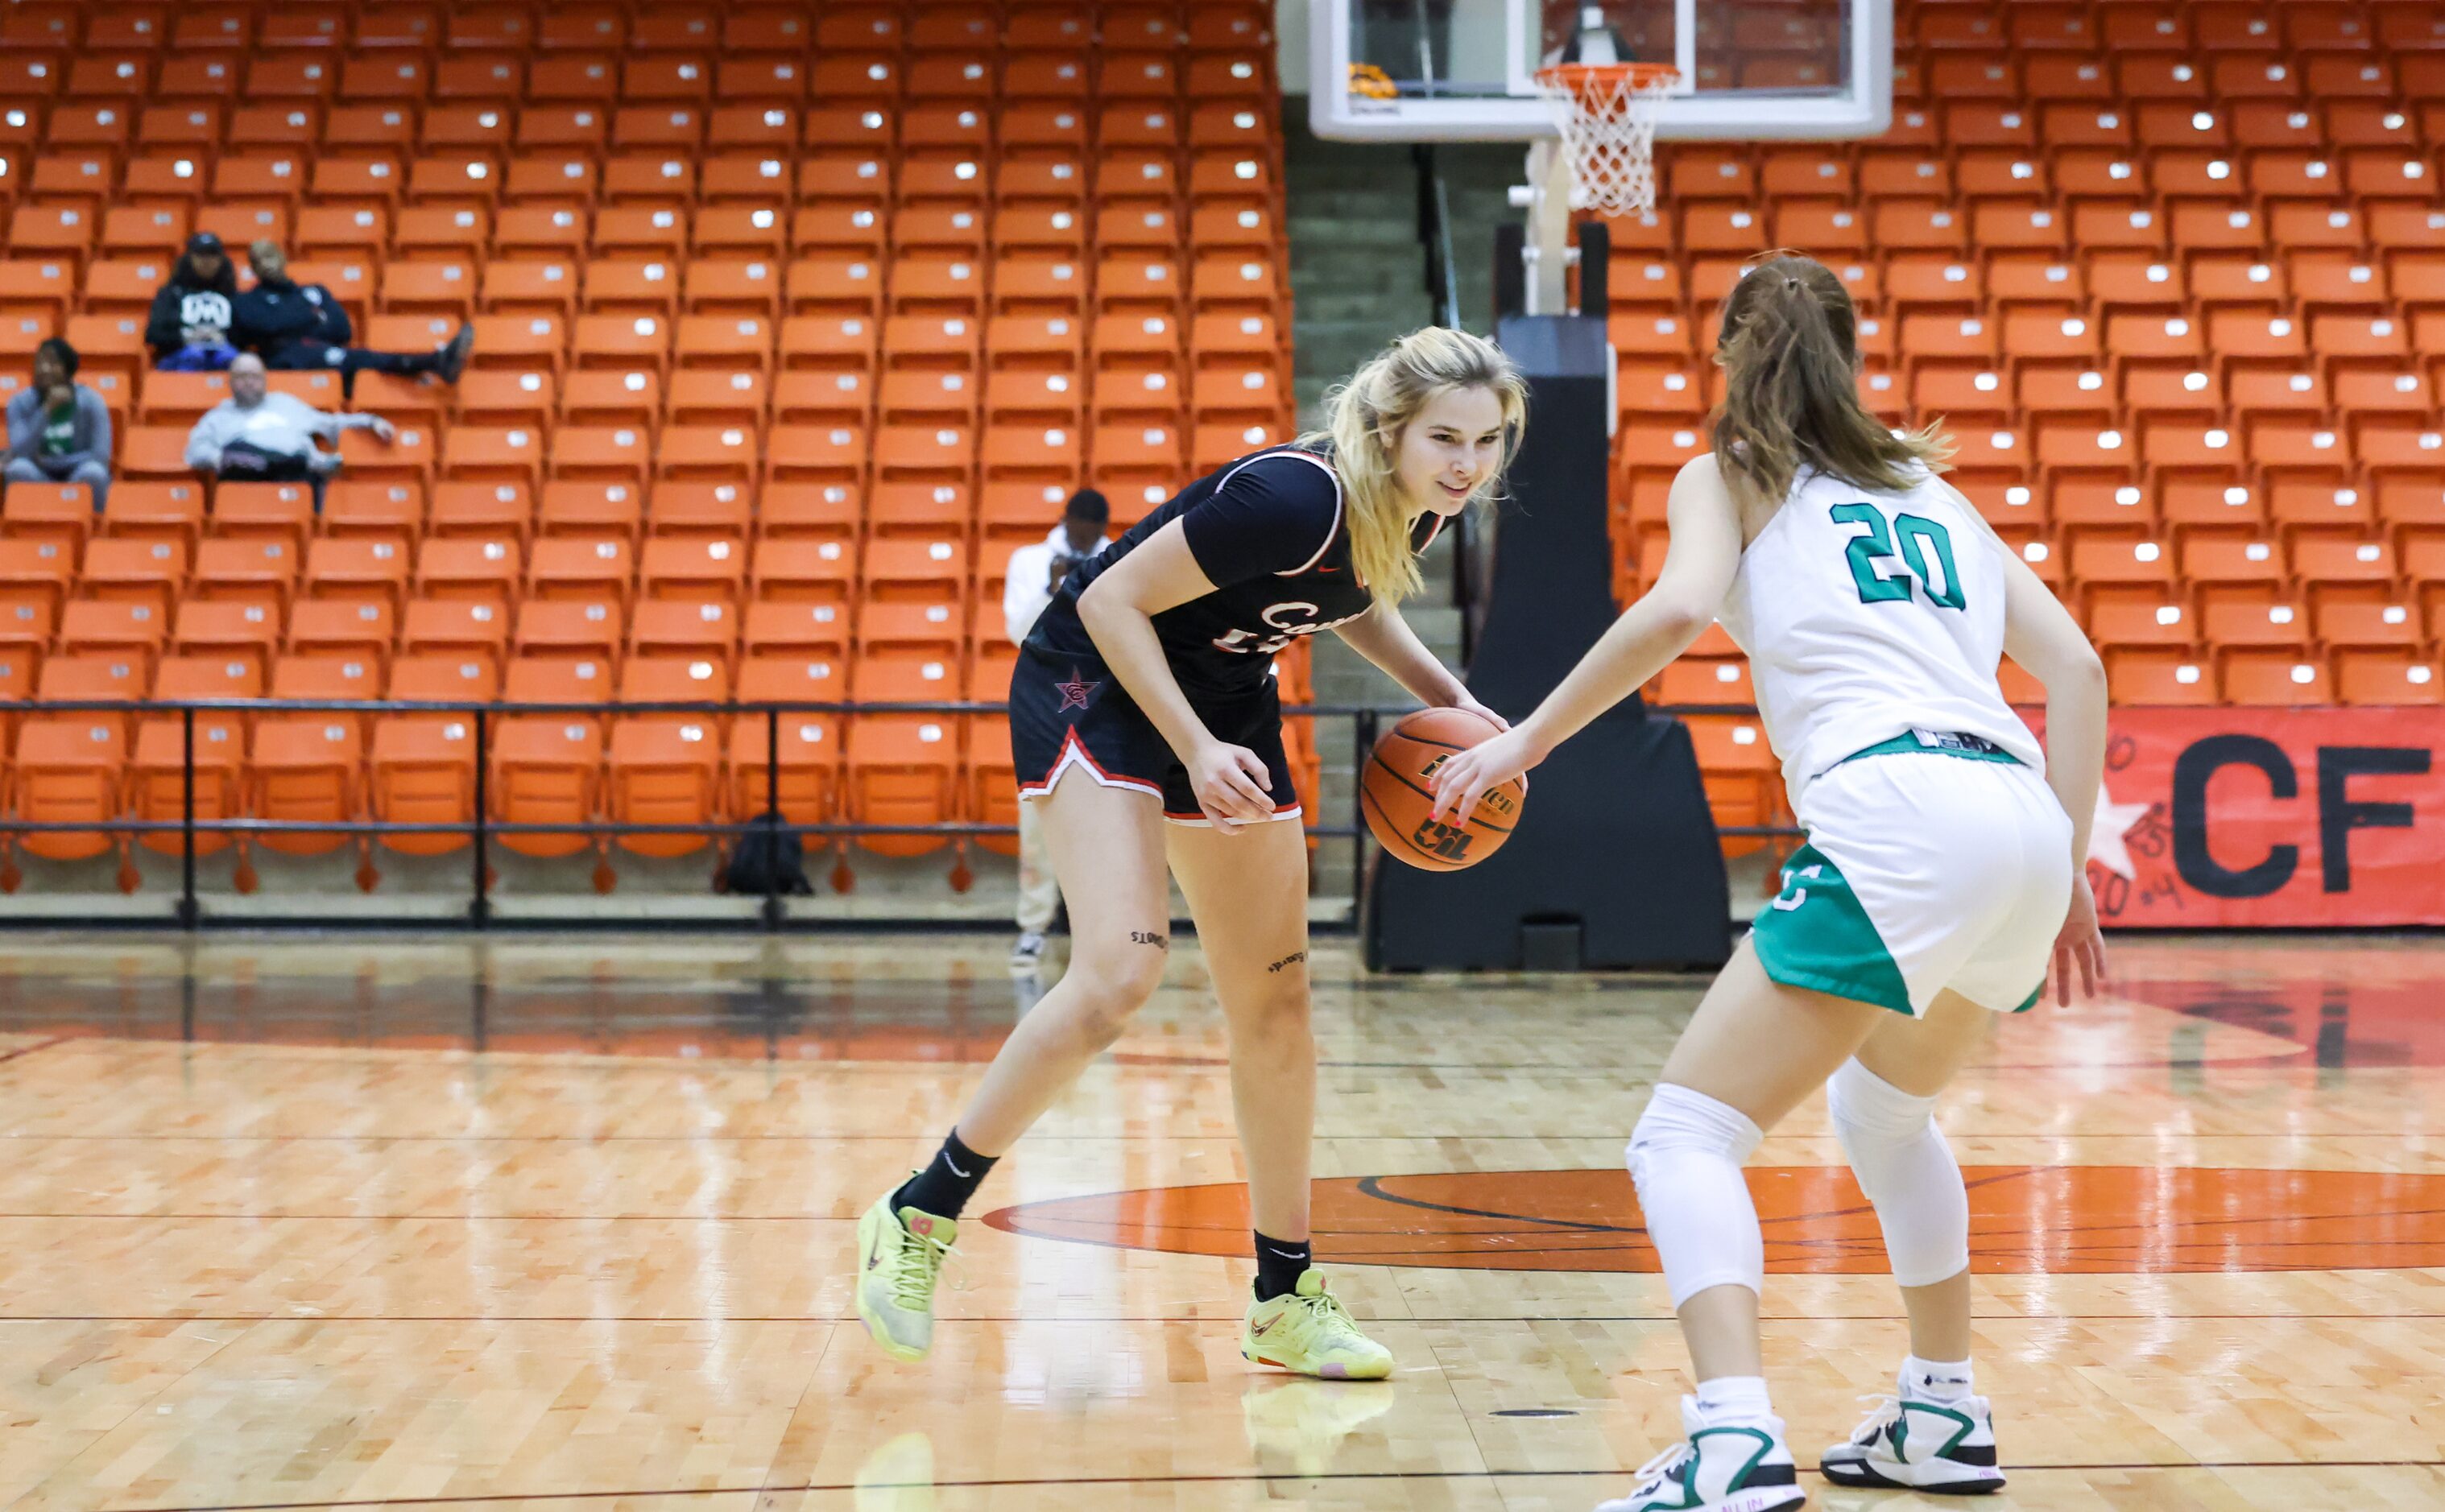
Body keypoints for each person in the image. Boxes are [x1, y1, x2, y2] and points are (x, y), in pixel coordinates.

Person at [1428, 256, 2108, 1512]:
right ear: (1851, 357)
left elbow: (1679, 608)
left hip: (1904, 812)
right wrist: (2068, 865)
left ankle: (1732, 1436)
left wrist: (1524, 737)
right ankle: (1942, 1412)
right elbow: (2076, 668)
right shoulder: (1932, 490)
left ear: (1732, 358)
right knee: (1885, 1116)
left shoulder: (1726, 474)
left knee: (1684, 1132)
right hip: (2017, 820)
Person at [851, 328, 1528, 1378]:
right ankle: (918, 1212)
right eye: (1447, 437)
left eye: (1487, 442)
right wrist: (1196, 748)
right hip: (1098, 682)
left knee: (1278, 1001)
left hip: (1223, 700)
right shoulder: (1292, 495)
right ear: (1392, 427)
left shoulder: (1417, 506)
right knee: (1121, 968)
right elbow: (1107, 599)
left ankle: (1283, 1294)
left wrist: (1453, 702)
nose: (1467, 463)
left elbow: (1350, 600)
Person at [998, 487, 1114, 972]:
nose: (1082, 535)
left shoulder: (1115, 556)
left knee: (1105, 819)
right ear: (1064, 520)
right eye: (1076, 526)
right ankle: (1032, 928)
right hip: (1044, 694)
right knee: (1038, 815)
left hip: (1100, 692)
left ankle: (1103, 932)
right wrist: (1051, 591)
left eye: (1090, 530)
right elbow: (1016, 631)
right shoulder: (1028, 561)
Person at [234, 240, 473, 399]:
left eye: (271, 256)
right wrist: (313, 318)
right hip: (286, 365)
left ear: (283, 257)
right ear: (253, 268)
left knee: (352, 357)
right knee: (352, 357)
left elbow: (342, 329)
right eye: (259, 260)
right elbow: (265, 326)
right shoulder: (248, 301)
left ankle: (434, 362)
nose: (267, 264)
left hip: (323, 355)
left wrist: (289, 324)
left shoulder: (314, 291)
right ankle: (432, 361)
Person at [184, 353, 395, 499]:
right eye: (241, 377)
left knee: (298, 463)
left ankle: (297, 462)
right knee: (239, 452)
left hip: (296, 480)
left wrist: (371, 421)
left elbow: (330, 423)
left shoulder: (285, 404)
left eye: (254, 376)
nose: (248, 382)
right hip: (249, 483)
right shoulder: (218, 417)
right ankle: (302, 462)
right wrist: (222, 458)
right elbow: (195, 452)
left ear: (265, 379)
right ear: (230, 381)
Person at [4, 337, 114, 510]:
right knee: (18, 469)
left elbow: (100, 456)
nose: (43, 369)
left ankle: (94, 529)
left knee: (95, 472)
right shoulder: (19, 403)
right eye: (39, 363)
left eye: (52, 363)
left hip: (78, 473)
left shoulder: (92, 401)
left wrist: (54, 462)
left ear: (68, 369)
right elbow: (21, 452)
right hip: (39, 475)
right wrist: (46, 410)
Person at [145, 232, 241, 371]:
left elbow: (246, 335)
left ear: (222, 260)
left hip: (224, 354)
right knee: (195, 355)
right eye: (201, 255)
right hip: (180, 356)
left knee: (238, 361)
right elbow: (153, 334)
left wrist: (222, 337)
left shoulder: (233, 296)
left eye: (212, 255)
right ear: (189, 259)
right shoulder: (171, 294)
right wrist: (187, 337)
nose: (206, 261)